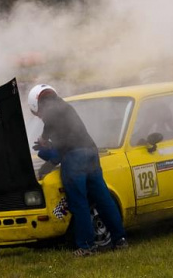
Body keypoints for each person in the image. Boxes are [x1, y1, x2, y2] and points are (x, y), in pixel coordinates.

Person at [28, 84, 128, 256]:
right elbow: (65, 136)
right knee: (102, 198)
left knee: (79, 202)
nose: (39, 117)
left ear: (37, 104)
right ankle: (120, 239)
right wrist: (48, 143)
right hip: (91, 152)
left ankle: (87, 246)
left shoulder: (50, 113)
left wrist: (46, 152)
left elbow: (61, 145)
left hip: (75, 159)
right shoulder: (64, 106)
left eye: (37, 114)